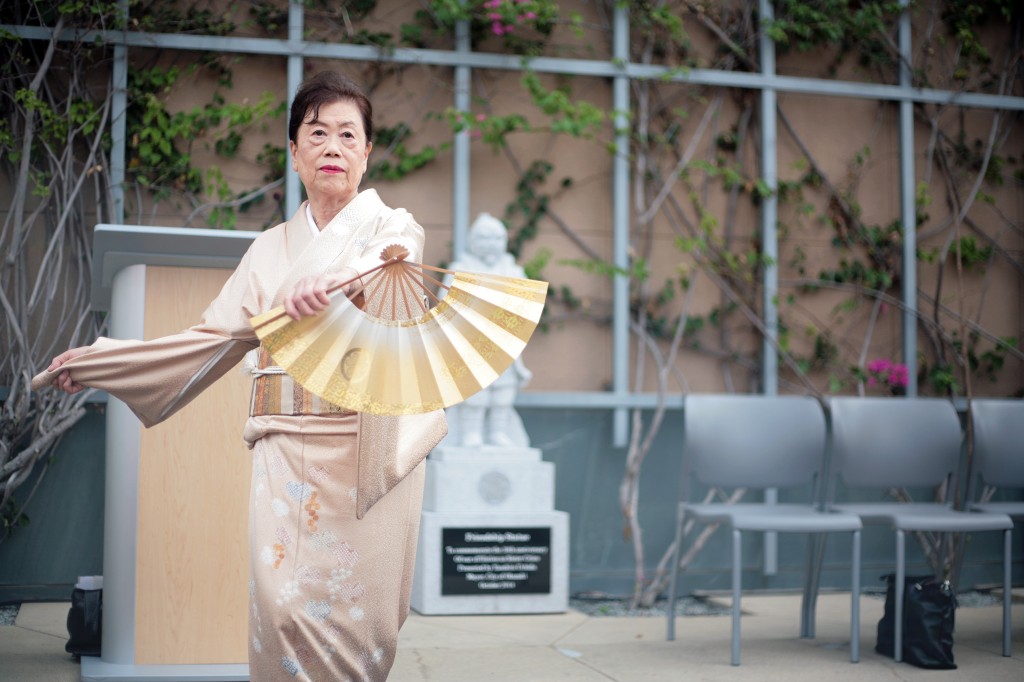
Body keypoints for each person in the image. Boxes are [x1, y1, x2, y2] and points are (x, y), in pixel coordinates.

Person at [37, 71, 446, 681]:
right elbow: (210, 341)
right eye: (316, 134)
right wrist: (104, 363)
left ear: (366, 153)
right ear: (294, 152)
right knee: (281, 610)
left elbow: (393, 262)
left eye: (346, 135)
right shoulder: (268, 250)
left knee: (362, 623)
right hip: (284, 451)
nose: (332, 147)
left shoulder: (391, 226)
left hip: (368, 453)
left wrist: (332, 280)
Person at [442, 212, 532, 448]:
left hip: (504, 340)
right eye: (484, 238)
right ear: (472, 241)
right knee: (475, 389)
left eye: (497, 239)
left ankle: (497, 432)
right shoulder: (460, 269)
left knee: (504, 390)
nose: (491, 244)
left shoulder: (514, 271)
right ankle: (471, 433)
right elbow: (446, 306)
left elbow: (524, 306)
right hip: (471, 341)